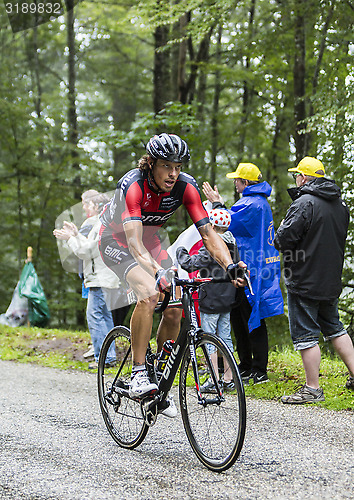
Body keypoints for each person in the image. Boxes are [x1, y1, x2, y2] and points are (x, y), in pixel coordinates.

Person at [98, 133, 246, 415]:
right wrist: (157, 272)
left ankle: (158, 376)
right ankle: (139, 371)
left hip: (151, 242)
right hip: (117, 242)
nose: (173, 173)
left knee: (176, 306)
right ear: (151, 163)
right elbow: (133, 243)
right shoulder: (133, 186)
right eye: (167, 166)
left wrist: (229, 265)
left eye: (178, 167)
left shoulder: (185, 187)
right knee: (150, 292)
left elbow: (208, 234)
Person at [274, 156, 354, 403]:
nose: (296, 178)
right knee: (335, 328)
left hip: (304, 278)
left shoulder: (304, 203)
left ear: (304, 178)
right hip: (330, 280)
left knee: (305, 334)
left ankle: (312, 388)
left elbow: (283, 239)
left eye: (297, 174)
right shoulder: (340, 206)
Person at [203, 163, 284, 384]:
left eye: (237, 180)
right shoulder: (259, 202)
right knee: (240, 317)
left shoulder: (251, 203)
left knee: (252, 318)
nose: (235, 183)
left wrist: (216, 203)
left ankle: (258, 369)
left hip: (251, 268)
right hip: (254, 266)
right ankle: (246, 365)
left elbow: (227, 222)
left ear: (245, 183)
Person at [53, 191, 121, 369]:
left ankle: (103, 358)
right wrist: (76, 235)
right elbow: (91, 246)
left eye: (88, 205)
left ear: (98, 206)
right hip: (106, 278)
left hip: (100, 279)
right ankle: (109, 356)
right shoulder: (105, 223)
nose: (84, 208)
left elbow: (86, 251)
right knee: (105, 318)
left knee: (95, 317)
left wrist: (70, 239)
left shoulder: (101, 224)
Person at [176, 208, 241, 393]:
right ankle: (229, 378)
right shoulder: (233, 246)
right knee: (226, 337)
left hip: (210, 300)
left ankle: (214, 379)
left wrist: (181, 250)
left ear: (210, 226)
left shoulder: (212, 247)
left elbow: (190, 264)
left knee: (209, 339)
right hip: (227, 300)